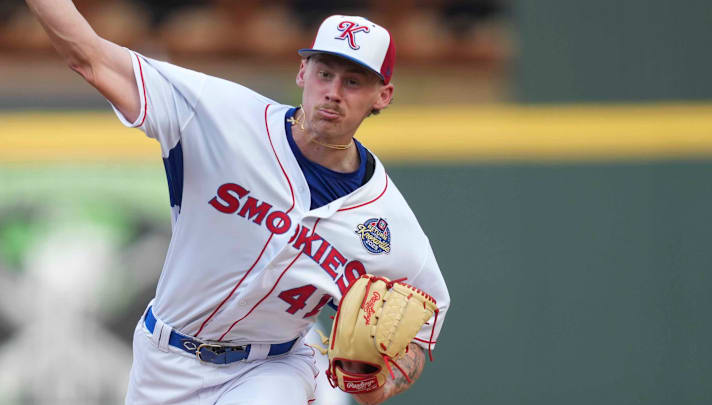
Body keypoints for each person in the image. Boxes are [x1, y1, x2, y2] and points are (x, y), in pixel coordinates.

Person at [24, 2, 450, 404]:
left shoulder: (388, 224)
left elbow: (421, 330)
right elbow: (89, 56)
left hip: (271, 368)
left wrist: (383, 383)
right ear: (303, 72)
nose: (333, 92)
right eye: (325, 73)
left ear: (383, 96)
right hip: (163, 361)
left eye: (353, 81)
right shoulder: (220, 115)